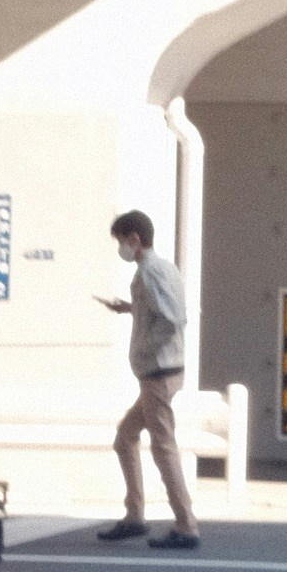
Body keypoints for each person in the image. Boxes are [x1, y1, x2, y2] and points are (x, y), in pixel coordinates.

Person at [95, 207, 199, 549]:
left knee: (163, 448)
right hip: (162, 373)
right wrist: (129, 308)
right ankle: (135, 516)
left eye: (122, 241)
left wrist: (146, 350)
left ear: (134, 239)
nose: (120, 248)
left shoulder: (151, 272)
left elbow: (173, 319)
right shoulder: (160, 268)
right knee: (125, 437)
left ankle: (185, 525)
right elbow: (162, 310)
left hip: (157, 373)